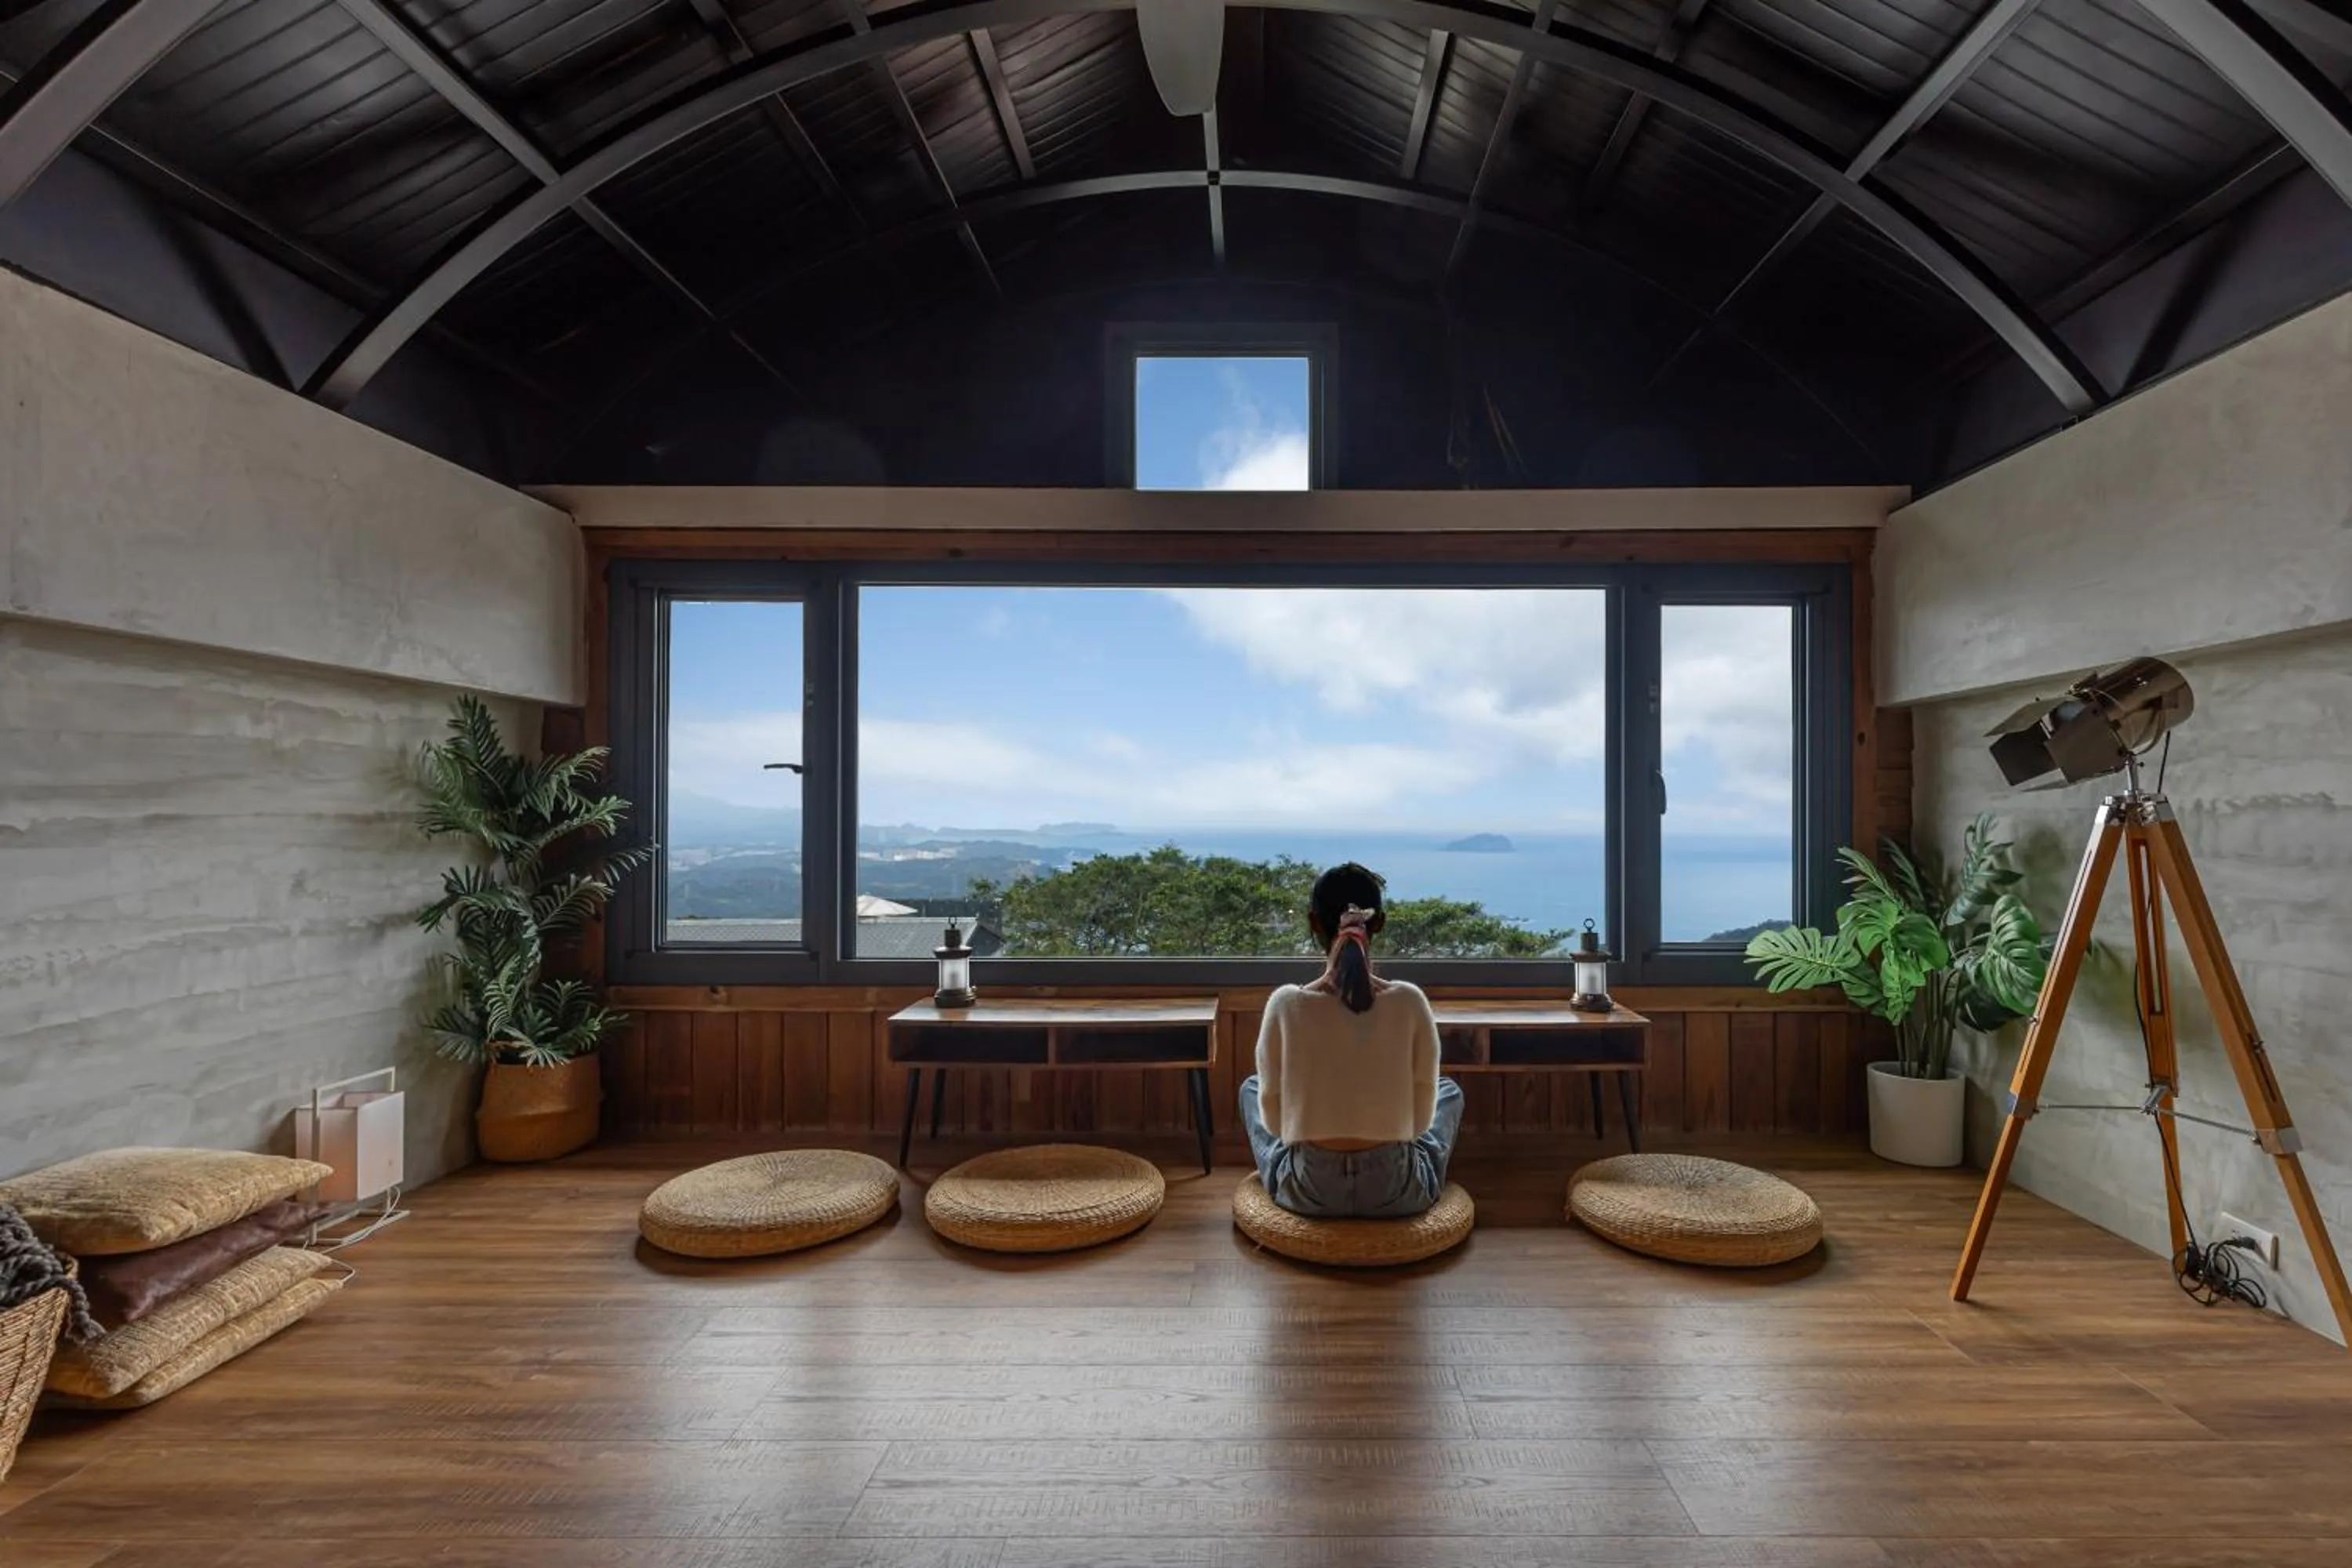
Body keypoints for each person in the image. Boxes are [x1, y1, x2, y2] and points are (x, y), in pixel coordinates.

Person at [1238, 862, 1465, 1218]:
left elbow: (1278, 1125)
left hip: (1309, 1189)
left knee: (1252, 1087)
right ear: (1379, 923)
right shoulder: (1409, 1000)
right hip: (1397, 1189)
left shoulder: (1285, 1004)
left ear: (1314, 922)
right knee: (1448, 1090)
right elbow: (1420, 1125)